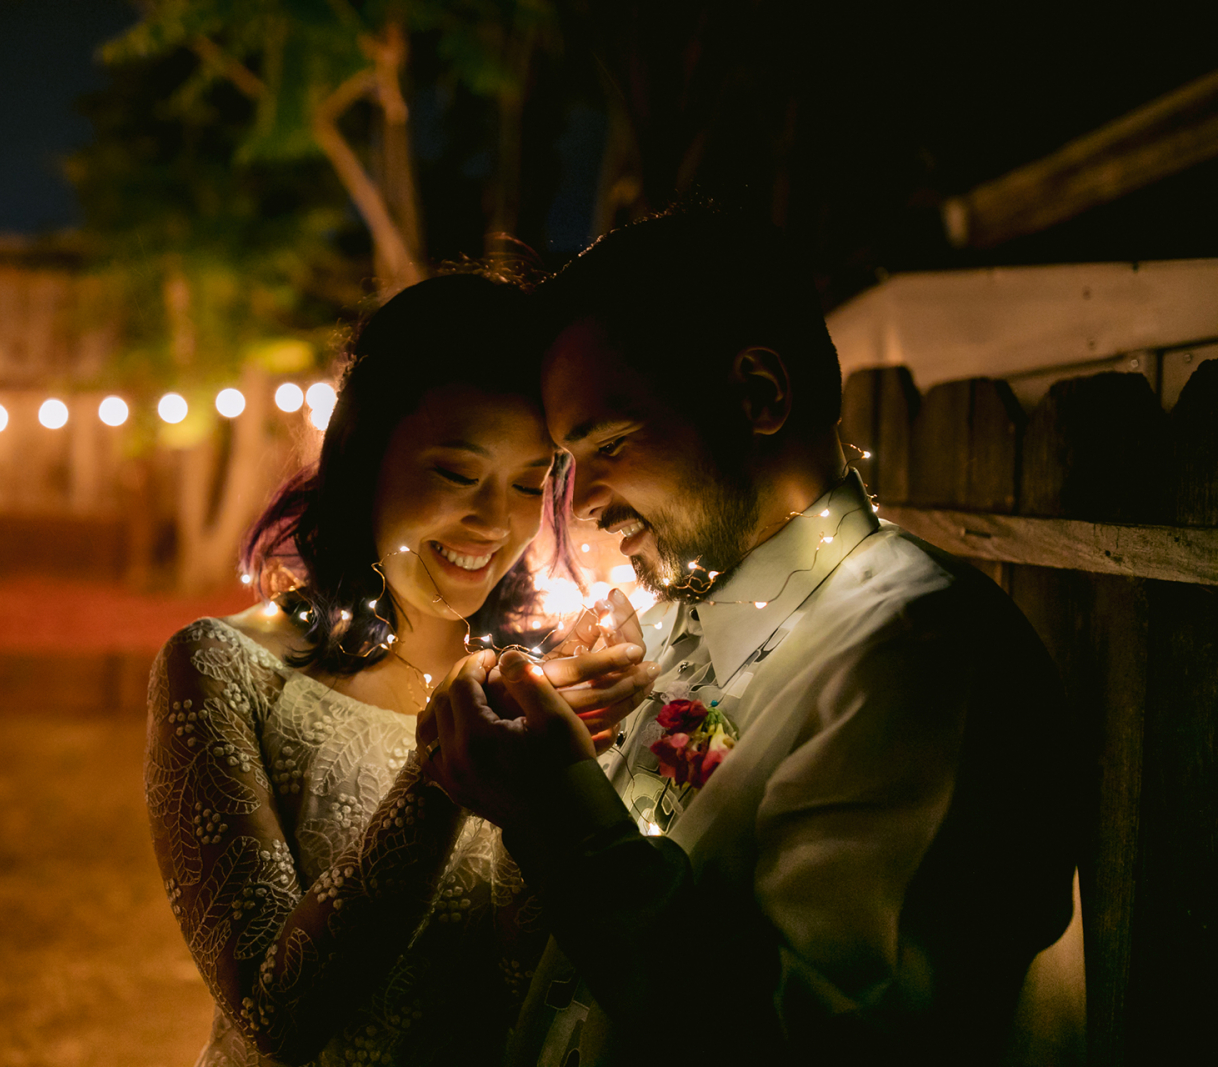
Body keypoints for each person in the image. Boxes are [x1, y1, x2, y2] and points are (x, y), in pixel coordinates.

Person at [417, 213, 1079, 1065]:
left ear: (758, 396)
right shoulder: (672, 626)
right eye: (567, 463)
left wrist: (561, 817)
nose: (579, 502)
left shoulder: (915, 652)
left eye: (610, 444)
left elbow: (816, 1040)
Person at [145, 272, 658, 1067]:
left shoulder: (547, 678)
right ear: (365, 451)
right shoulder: (223, 667)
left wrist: (588, 764)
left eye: (530, 482)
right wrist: (442, 769)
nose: (496, 522)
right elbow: (277, 1015)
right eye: (457, 473)